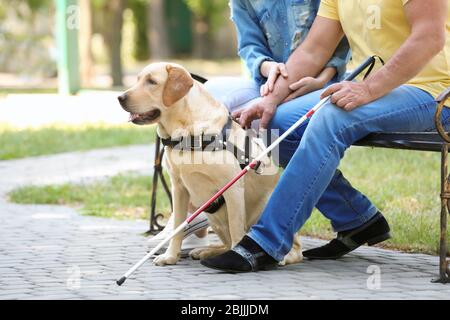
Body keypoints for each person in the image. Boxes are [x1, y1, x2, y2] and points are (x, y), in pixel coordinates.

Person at [201, 0, 450, 272]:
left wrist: (367, 90)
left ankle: (266, 242)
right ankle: (356, 219)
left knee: (332, 117)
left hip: (434, 94)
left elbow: (429, 38)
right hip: (376, 89)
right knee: (275, 123)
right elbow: (313, 50)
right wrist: (271, 100)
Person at [148, 0, 350, 253]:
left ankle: (257, 204)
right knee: (210, 97)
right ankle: (198, 208)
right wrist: (270, 67)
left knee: (269, 121)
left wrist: (321, 79)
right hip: (265, 80)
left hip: (317, 80)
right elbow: (249, 47)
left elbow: (339, 39)